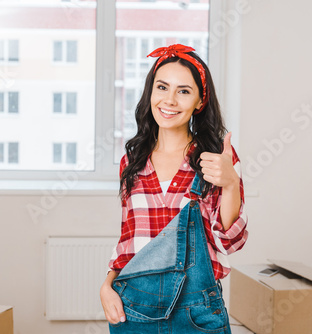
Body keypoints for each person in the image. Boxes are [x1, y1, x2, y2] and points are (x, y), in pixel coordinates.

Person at [100, 44, 248, 334]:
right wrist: (106, 285)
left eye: (183, 91)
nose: (169, 100)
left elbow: (232, 241)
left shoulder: (217, 158)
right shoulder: (132, 160)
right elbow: (128, 240)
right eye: (162, 87)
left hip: (197, 311)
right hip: (132, 308)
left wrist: (230, 183)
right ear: (150, 92)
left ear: (199, 101)